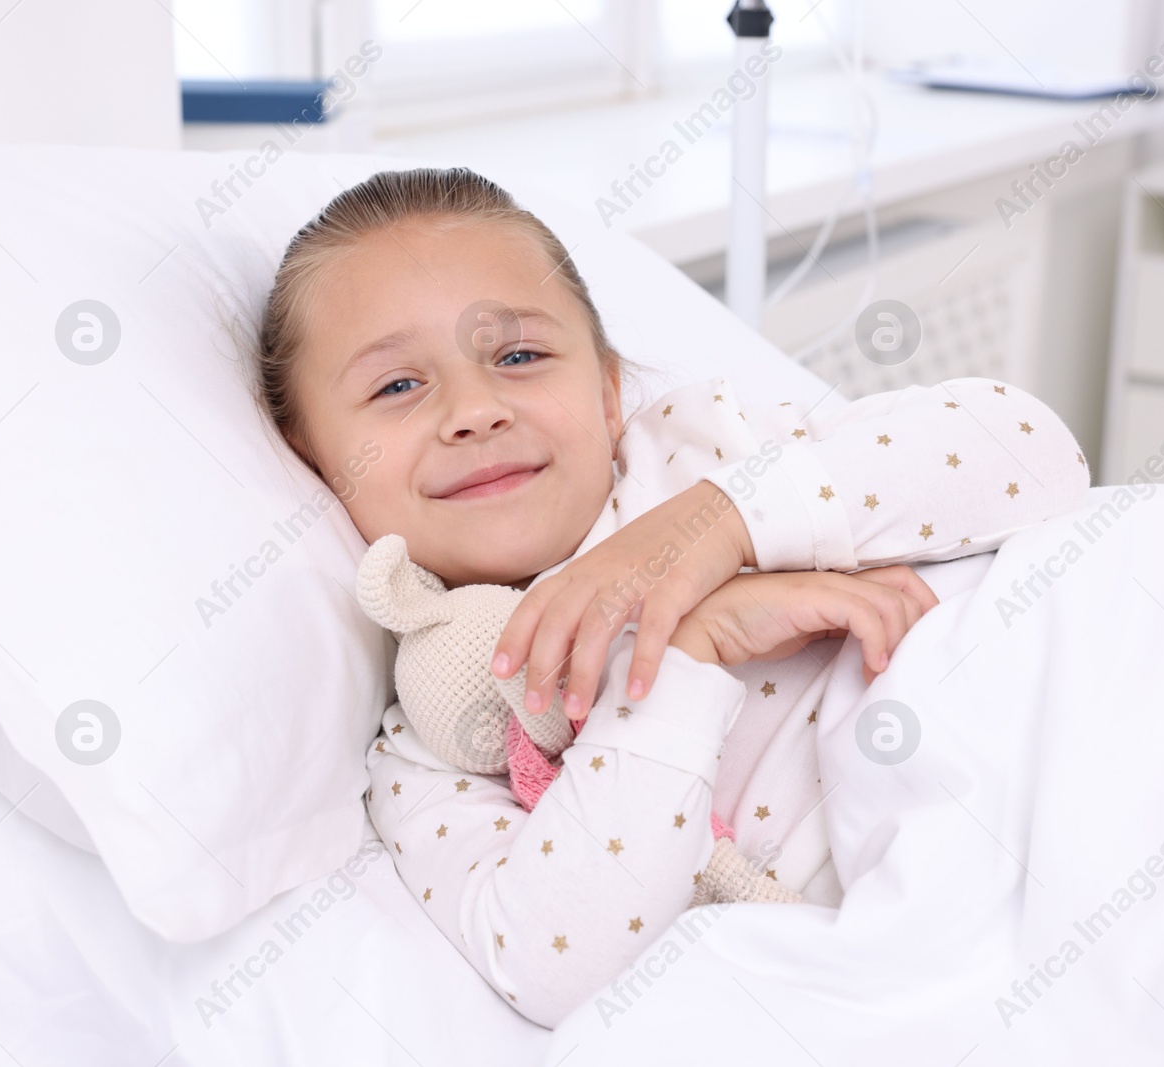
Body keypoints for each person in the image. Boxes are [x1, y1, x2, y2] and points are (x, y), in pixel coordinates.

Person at [253, 167, 1090, 1026]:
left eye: (519, 356)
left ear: (610, 393)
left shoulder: (706, 450)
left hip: (1071, 710)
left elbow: (1036, 451)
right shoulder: (437, 745)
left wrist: (719, 524)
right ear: (311, 459)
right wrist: (692, 653)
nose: (475, 409)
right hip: (988, 913)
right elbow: (555, 968)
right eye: (397, 385)